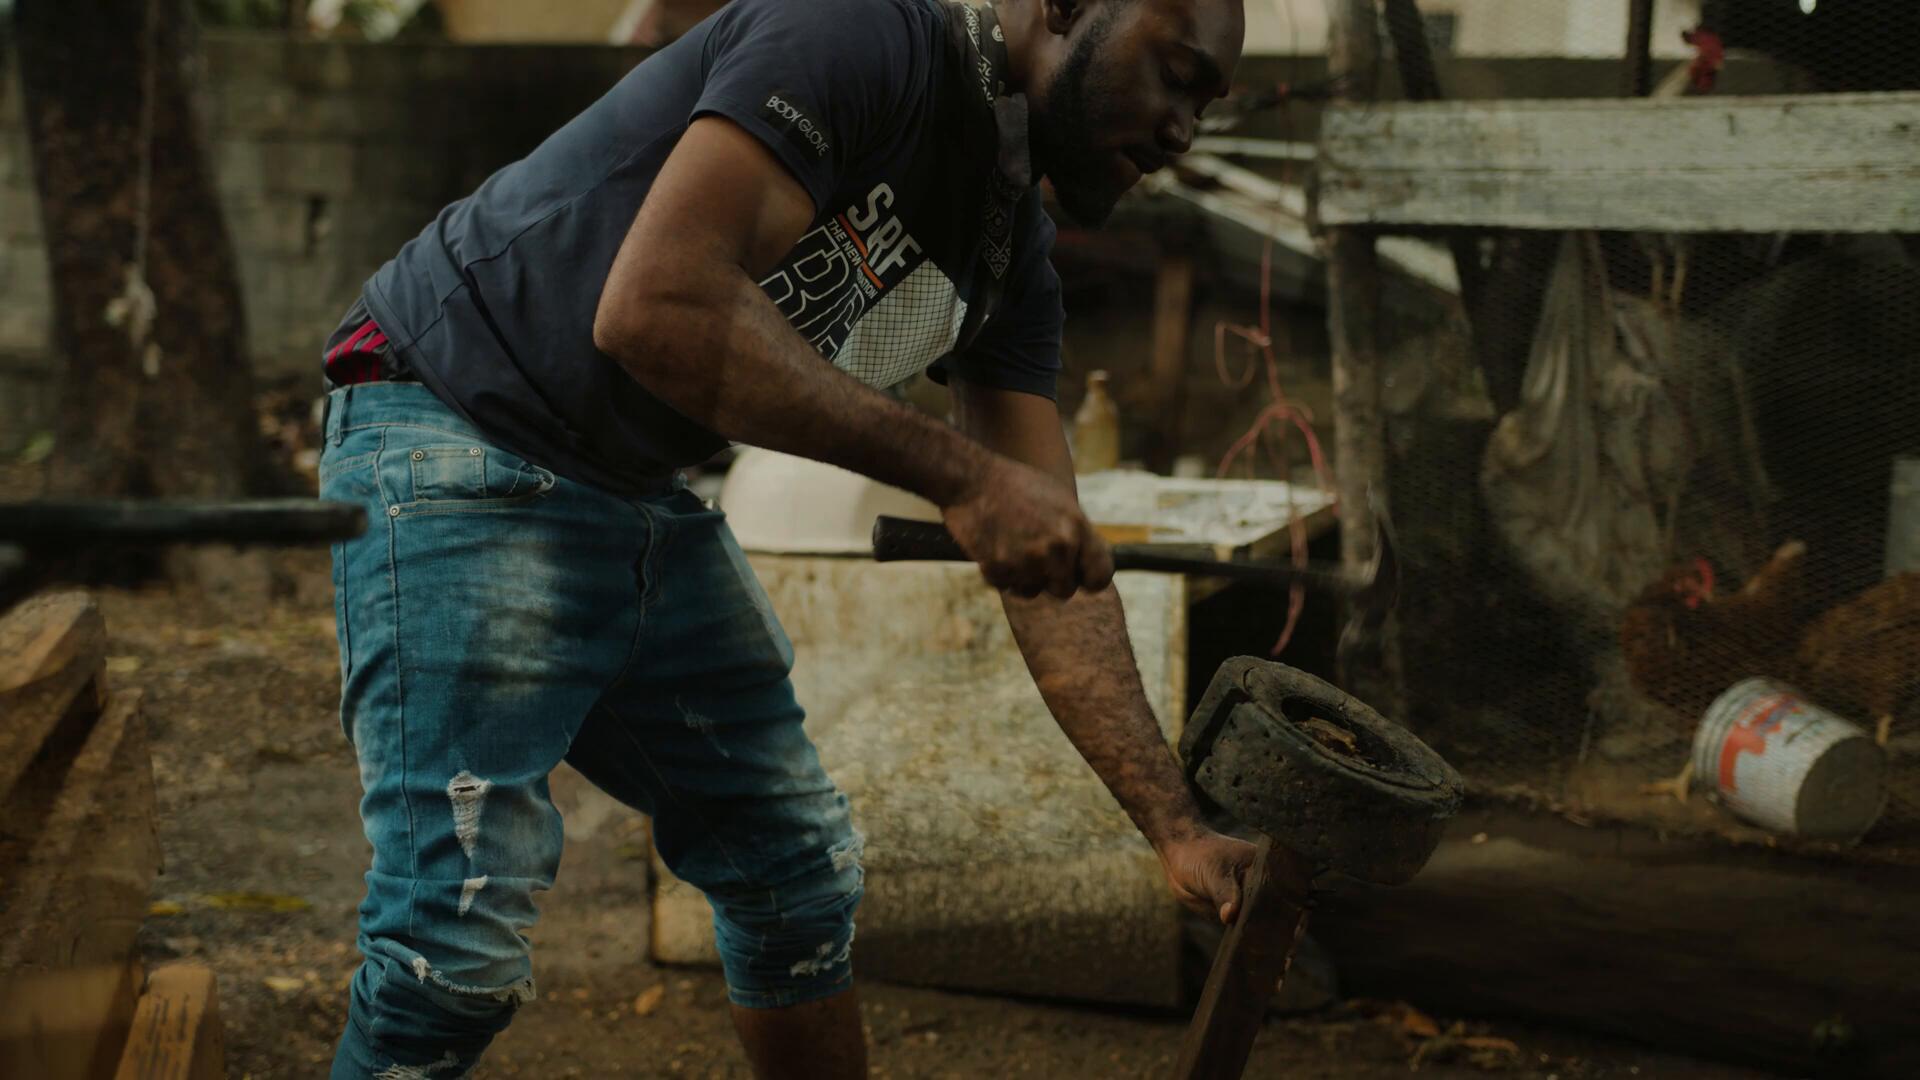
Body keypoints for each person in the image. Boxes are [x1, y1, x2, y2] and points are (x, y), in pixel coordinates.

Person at [318, 0, 1249, 1075]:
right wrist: (962, 476)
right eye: (1175, 73)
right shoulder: (861, 35)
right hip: (454, 418)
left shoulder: (1007, 257)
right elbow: (657, 306)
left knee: (794, 874)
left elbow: (1055, 565)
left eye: (1205, 103)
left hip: (626, 483)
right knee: (451, 955)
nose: (1183, 129)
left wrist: (1176, 827)